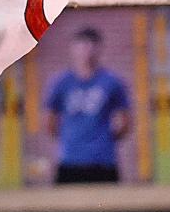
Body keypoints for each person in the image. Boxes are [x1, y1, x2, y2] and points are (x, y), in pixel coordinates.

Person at [45, 27, 131, 184]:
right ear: (73, 49)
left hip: (103, 161)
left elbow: (125, 122)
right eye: (82, 46)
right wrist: (72, 138)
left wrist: (103, 140)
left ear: (99, 49)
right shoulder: (61, 83)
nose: (87, 52)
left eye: (92, 47)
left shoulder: (112, 82)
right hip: (70, 161)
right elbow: (50, 122)